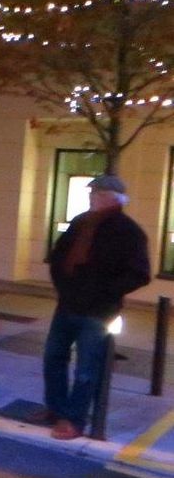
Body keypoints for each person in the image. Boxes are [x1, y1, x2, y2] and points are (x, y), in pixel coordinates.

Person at [31, 174, 149, 440]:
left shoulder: (128, 231)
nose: (91, 196)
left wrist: (104, 292)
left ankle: (74, 420)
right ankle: (56, 408)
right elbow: (59, 255)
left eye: (97, 193)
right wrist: (63, 285)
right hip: (68, 304)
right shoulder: (80, 222)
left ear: (113, 198)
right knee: (53, 358)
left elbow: (139, 274)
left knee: (87, 369)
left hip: (98, 311)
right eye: (92, 192)